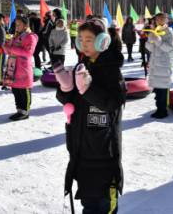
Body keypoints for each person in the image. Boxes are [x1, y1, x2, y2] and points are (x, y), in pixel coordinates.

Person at [54, 18, 126, 212]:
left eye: (89, 39)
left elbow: (112, 103)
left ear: (102, 40)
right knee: (88, 205)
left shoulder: (112, 71)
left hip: (104, 155)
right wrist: (65, 88)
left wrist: (88, 89)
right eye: (81, 40)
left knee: (103, 207)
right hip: (82, 152)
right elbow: (72, 102)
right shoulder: (82, 66)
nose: (84, 44)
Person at [3, 16, 38, 121]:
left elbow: (28, 52)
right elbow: (10, 51)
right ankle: (19, 110)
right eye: (16, 24)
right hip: (13, 67)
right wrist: (6, 46)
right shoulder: (16, 36)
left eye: (19, 24)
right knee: (16, 89)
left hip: (23, 68)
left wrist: (11, 48)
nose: (16, 26)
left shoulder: (30, 36)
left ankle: (25, 111)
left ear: (26, 25)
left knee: (24, 90)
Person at [146, 13, 173, 119]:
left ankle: (163, 110)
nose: (159, 21)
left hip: (164, 64)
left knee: (162, 89)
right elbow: (150, 48)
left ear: (166, 20)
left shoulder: (169, 32)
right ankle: (159, 109)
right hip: (155, 63)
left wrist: (158, 41)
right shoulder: (156, 30)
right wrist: (150, 40)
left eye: (162, 19)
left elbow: (170, 48)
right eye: (158, 19)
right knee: (158, 90)